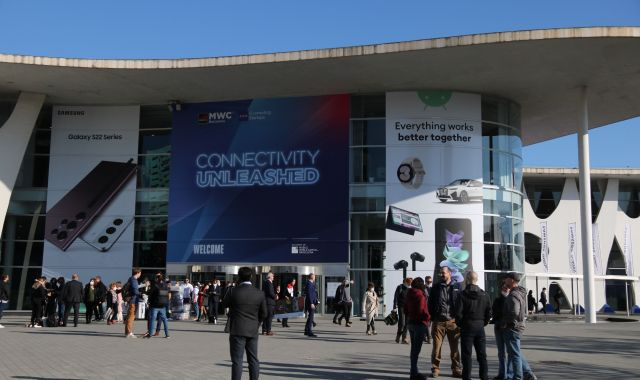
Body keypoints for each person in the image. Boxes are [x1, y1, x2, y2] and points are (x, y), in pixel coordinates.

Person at [223, 267, 267, 380]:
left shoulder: (233, 291)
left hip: (237, 329)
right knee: (253, 360)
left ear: (239, 276)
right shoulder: (259, 293)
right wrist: (257, 324)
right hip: (252, 330)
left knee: (237, 361)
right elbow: (264, 313)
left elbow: (224, 304)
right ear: (251, 277)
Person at [501, 272, 538, 380]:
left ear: (512, 280)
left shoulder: (513, 295)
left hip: (513, 327)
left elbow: (514, 312)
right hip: (518, 326)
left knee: (515, 354)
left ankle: (518, 377)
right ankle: (525, 374)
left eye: (506, 279)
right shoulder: (518, 292)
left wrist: (506, 322)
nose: (505, 281)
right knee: (515, 351)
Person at [455, 271, 491, 380]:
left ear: (467, 279)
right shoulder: (484, 294)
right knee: (482, 355)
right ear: (476, 279)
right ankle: (484, 376)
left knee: (467, 355)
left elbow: (458, 313)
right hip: (479, 325)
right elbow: (489, 312)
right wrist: (483, 322)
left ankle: (466, 377)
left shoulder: (462, 295)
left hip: (467, 325)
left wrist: (460, 324)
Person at [428, 266, 462, 378]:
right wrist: (433, 317)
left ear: (449, 273)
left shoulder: (457, 286)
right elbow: (430, 303)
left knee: (455, 349)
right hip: (439, 322)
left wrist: (459, 318)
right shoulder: (436, 287)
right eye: (440, 273)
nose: (441, 275)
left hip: (453, 322)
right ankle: (435, 368)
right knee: (436, 348)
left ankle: (456, 369)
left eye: (443, 273)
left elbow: (460, 303)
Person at [405, 277, 431, 380]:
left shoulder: (409, 293)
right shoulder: (420, 295)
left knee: (414, 350)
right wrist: (428, 318)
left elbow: (405, 309)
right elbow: (422, 310)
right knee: (416, 350)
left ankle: (413, 372)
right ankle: (414, 374)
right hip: (419, 324)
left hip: (411, 323)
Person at [143, 273, 171, 338]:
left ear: (157, 278)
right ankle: (167, 334)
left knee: (152, 319)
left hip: (154, 305)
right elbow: (168, 295)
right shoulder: (166, 286)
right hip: (163, 305)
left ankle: (150, 334)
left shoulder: (155, 285)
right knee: (165, 320)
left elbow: (150, 293)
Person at [393, 277, 412, 344]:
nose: (410, 285)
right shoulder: (400, 287)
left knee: (407, 323)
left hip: (409, 308)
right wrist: (394, 307)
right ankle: (398, 336)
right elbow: (396, 297)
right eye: (409, 283)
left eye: (411, 283)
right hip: (401, 307)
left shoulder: (410, 289)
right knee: (402, 323)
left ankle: (404, 338)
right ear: (405, 282)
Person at [125, 268, 142, 338]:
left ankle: (127, 332)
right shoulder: (134, 280)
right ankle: (129, 333)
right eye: (140, 273)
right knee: (131, 317)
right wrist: (140, 294)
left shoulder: (131, 279)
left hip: (132, 300)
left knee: (129, 316)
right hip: (133, 300)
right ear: (138, 273)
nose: (140, 274)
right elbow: (135, 291)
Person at [304, 273, 319, 337]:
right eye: (314, 276)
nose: (315, 277)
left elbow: (313, 293)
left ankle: (306, 330)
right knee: (311, 317)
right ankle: (309, 331)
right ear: (312, 277)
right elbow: (309, 294)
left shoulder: (311, 283)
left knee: (310, 317)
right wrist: (311, 303)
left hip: (312, 302)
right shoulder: (309, 284)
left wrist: (316, 300)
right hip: (310, 303)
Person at [424, 275, 433, 344]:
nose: (429, 283)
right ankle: (429, 337)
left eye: (431, 281)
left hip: (431, 308)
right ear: (425, 281)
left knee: (428, 323)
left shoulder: (432, 289)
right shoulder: (423, 288)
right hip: (424, 308)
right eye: (428, 281)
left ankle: (425, 336)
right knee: (426, 323)